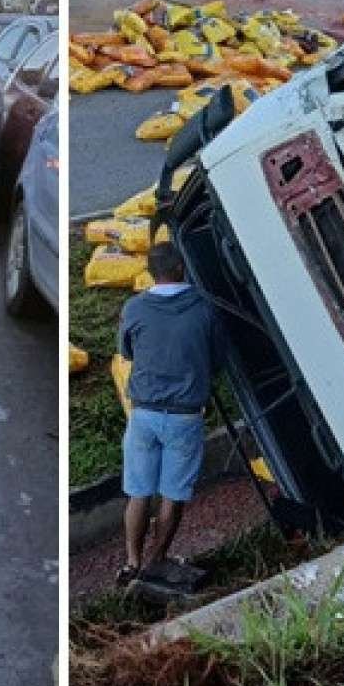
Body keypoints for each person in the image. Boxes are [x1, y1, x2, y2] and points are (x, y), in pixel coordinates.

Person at [117, 241, 221, 592]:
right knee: (173, 495)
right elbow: (217, 359)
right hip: (185, 417)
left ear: (150, 272)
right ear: (181, 267)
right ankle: (157, 561)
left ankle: (131, 562)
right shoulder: (204, 309)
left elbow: (126, 350)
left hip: (143, 414)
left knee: (138, 493)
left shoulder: (134, 308)